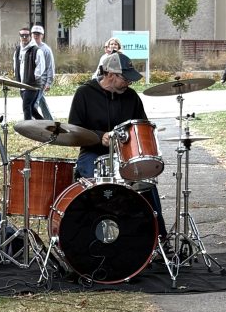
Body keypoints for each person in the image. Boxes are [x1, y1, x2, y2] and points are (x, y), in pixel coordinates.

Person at [68, 51, 168, 239]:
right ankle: (95, 236)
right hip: (93, 153)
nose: (129, 83)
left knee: (147, 184)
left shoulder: (131, 97)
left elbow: (141, 127)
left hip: (125, 155)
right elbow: (74, 130)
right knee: (98, 190)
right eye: (125, 78)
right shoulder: (84, 94)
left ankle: (158, 238)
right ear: (110, 75)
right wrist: (100, 137)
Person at [12, 26, 45, 120]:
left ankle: (28, 130)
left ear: (30, 36)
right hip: (22, 84)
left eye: (26, 35)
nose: (24, 37)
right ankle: (45, 125)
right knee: (31, 109)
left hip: (32, 85)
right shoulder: (18, 50)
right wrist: (17, 77)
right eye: (22, 35)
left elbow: (40, 67)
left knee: (26, 107)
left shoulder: (36, 50)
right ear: (19, 36)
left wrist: (32, 78)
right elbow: (15, 64)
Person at [32, 25, 56, 119]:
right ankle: (50, 122)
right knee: (42, 102)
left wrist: (49, 82)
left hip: (41, 81)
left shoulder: (46, 49)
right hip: (32, 80)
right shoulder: (30, 48)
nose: (35, 36)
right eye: (34, 33)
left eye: (38, 34)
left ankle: (32, 124)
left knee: (33, 104)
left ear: (42, 35)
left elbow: (50, 67)